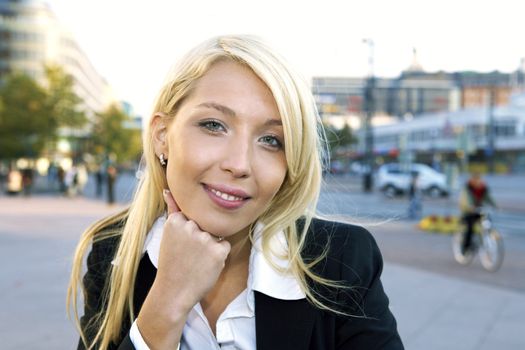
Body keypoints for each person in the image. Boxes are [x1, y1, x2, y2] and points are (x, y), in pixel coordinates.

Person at [68, 35, 403, 350]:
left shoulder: (341, 260)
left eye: (271, 140)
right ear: (162, 135)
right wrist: (166, 303)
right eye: (214, 125)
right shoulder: (115, 249)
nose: (240, 164)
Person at [458, 172, 497, 253]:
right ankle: (465, 248)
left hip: (479, 210)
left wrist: (494, 205)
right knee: (470, 228)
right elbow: (466, 199)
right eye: (476, 180)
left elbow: (488, 198)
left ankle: (485, 236)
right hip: (468, 212)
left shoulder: (483, 188)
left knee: (487, 221)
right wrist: (470, 206)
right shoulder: (467, 188)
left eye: (479, 180)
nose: (478, 182)